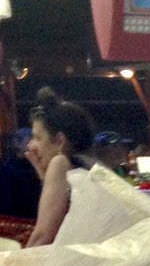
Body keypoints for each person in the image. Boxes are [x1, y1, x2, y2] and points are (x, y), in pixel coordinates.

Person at [26, 94, 98, 247]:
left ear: (60, 141)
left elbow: (43, 235)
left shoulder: (60, 163)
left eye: (38, 138)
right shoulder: (92, 165)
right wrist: (44, 179)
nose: (31, 146)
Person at [0, 126, 42, 220]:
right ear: (17, 143)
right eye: (30, 140)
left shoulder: (39, 165)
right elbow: (5, 203)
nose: (34, 145)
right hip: (18, 221)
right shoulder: (7, 169)